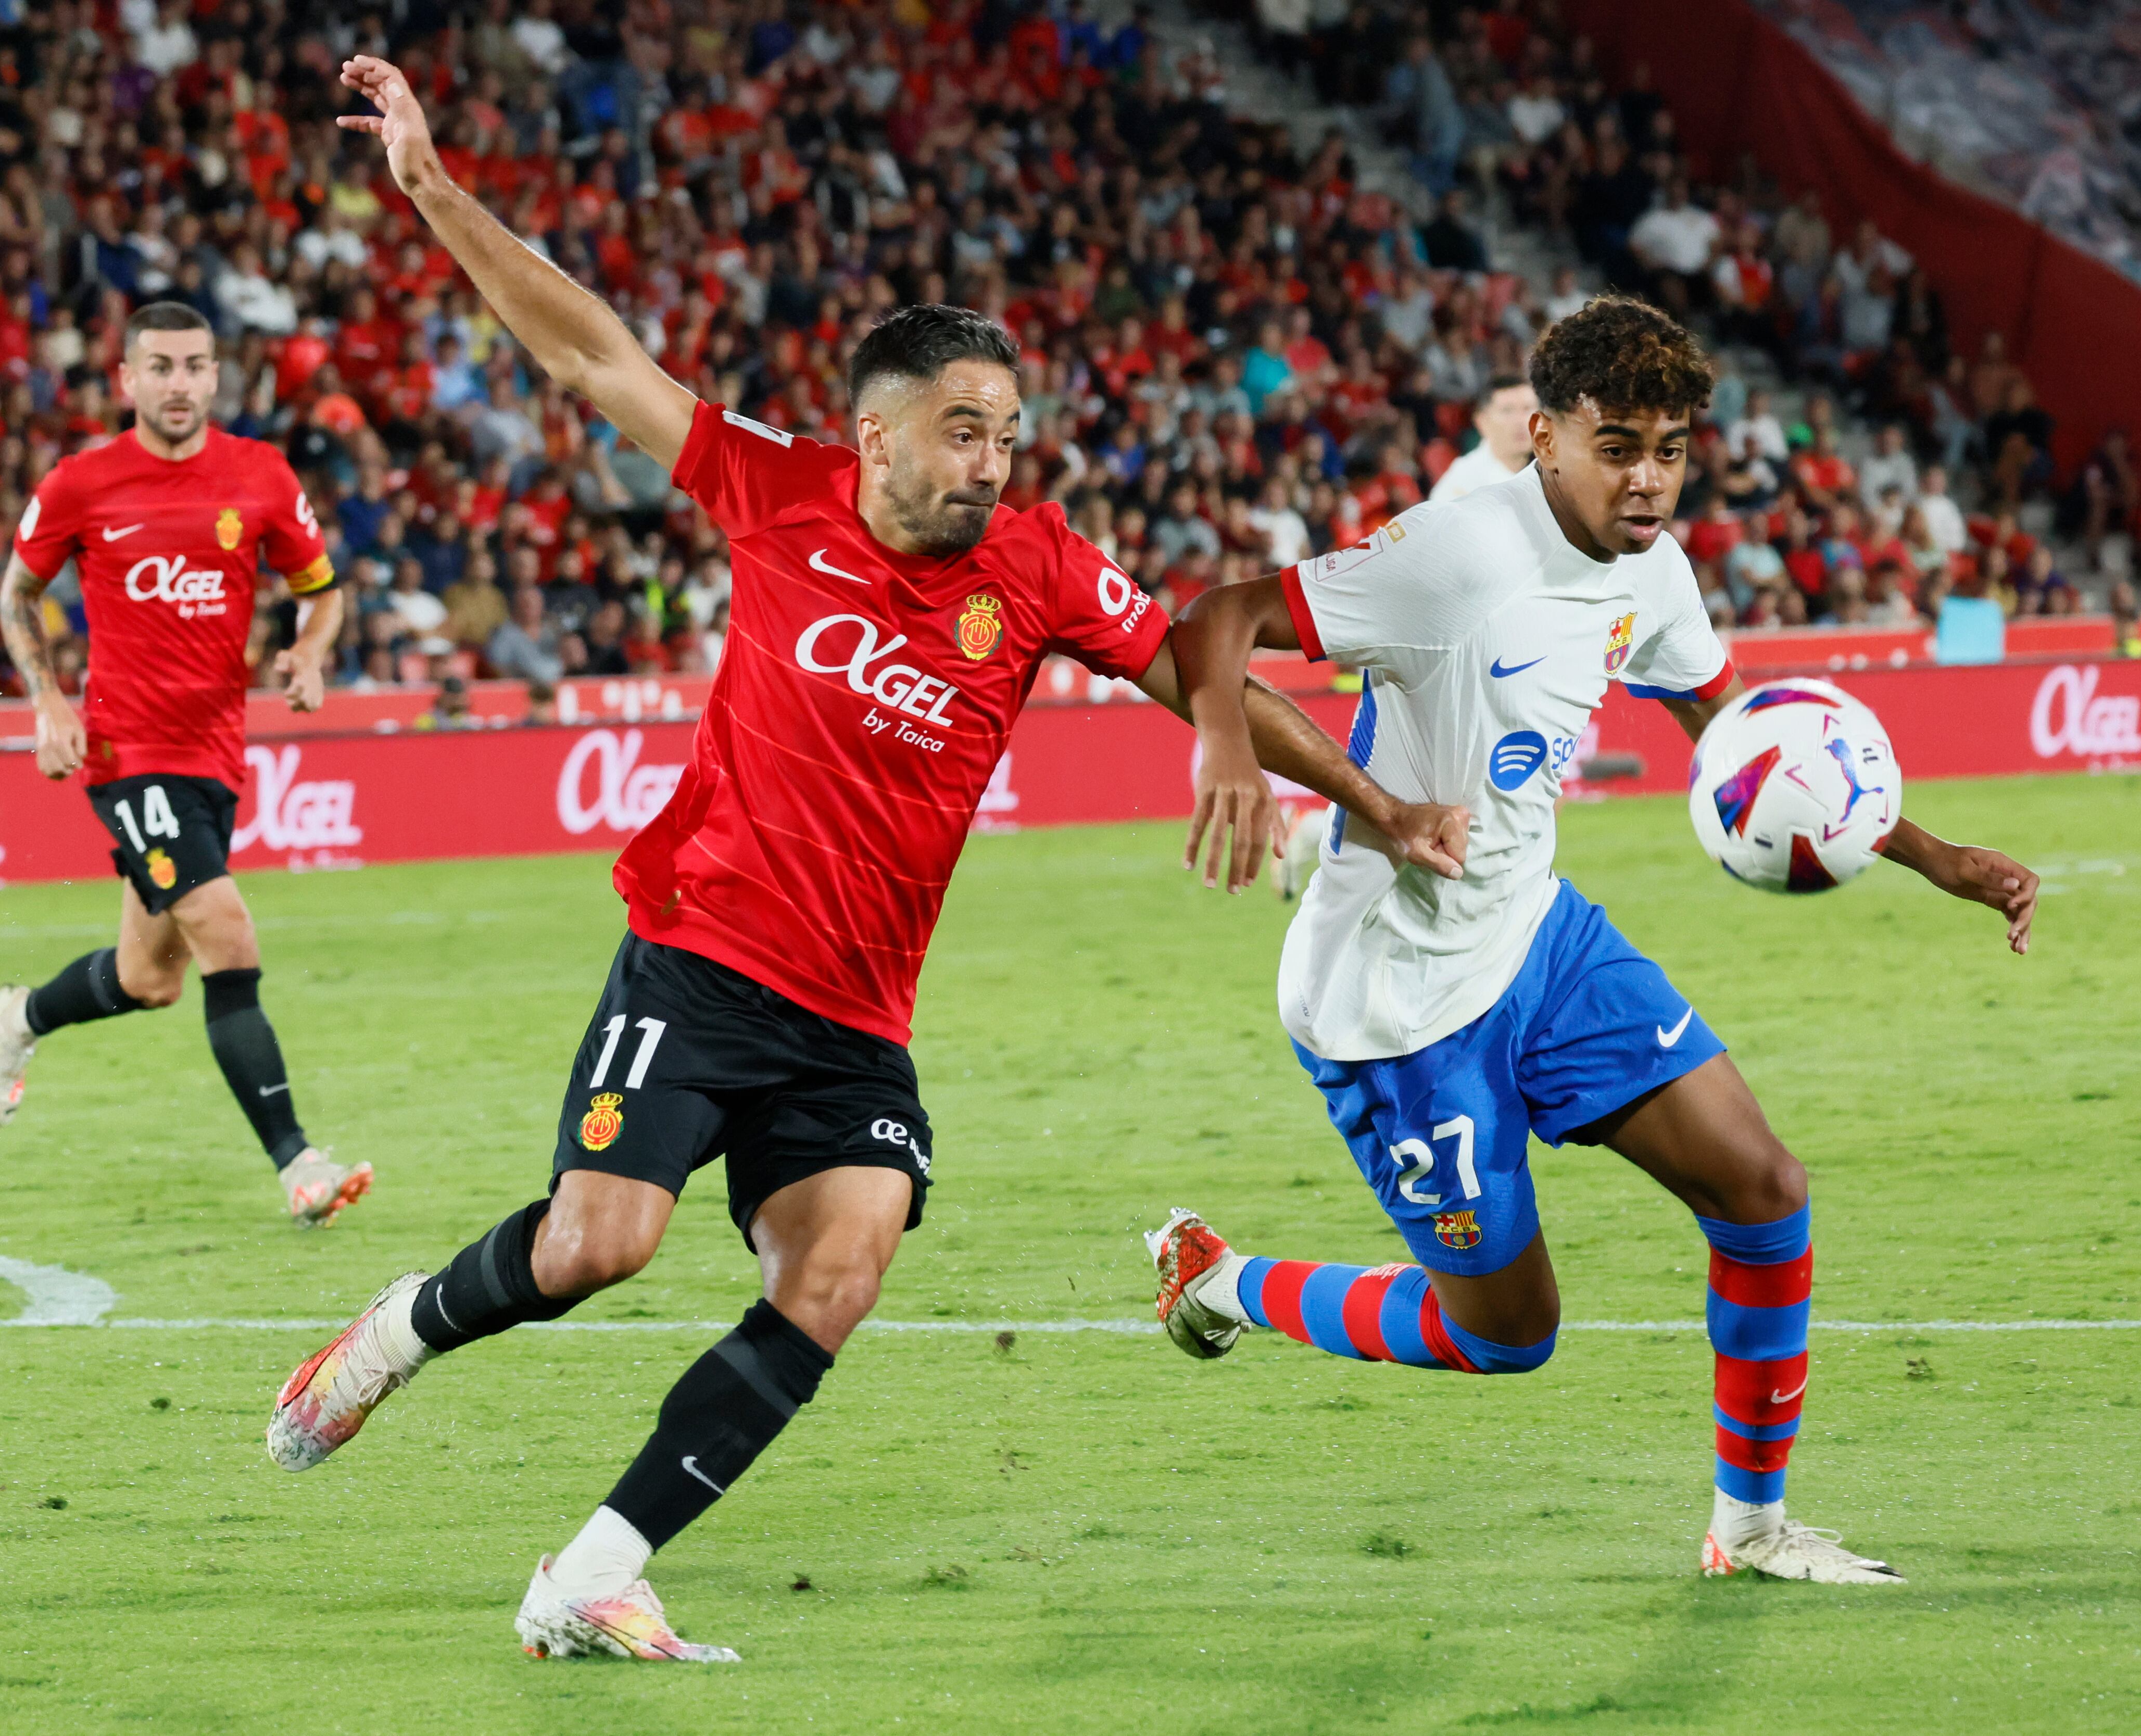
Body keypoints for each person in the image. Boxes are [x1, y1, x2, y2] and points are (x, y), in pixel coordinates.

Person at [268, 54, 1469, 1668]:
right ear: (872, 437)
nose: (995, 461)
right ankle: (401, 1331)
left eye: (1011, 434)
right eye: (964, 432)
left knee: (840, 1267)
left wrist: (1372, 808)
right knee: (593, 1246)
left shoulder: (1035, 565)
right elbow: (589, 350)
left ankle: (592, 1570)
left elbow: (1201, 666)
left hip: (855, 1010)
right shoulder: (771, 492)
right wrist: (427, 185)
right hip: (699, 955)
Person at [1160, 295, 2038, 1588]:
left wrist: (1930, 855)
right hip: (1396, 1002)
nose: (1647, 478)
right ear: (1543, 435)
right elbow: (1216, 617)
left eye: (1670, 448)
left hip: (1539, 937)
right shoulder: (1456, 558)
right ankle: (1221, 1280)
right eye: (1616, 444)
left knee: (1764, 1190)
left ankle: (1748, 1526)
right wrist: (1227, 749)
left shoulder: (1657, 569)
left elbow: (1739, 738)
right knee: (1507, 1339)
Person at [0, 301, 364, 1228]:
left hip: (214, 756)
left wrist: (310, 652)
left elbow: (325, 592)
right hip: (125, 752)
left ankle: (20, 1016)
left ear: (216, 376)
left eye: (194, 365)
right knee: (228, 933)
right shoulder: (82, 483)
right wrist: (48, 697)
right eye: (160, 366)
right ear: (128, 380)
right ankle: (299, 1164)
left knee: (150, 975)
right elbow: (17, 592)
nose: (178, 383)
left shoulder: (260, 476)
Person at [1428, 373, 1539, 502]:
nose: (1521, 421)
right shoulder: (1463, 485)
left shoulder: (1548, 472)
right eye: (1507, 411)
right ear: (1482, 421)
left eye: (1528, 409)